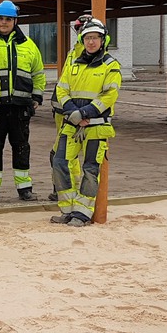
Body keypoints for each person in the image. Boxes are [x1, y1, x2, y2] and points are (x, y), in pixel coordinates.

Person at [52, 18, 122, 227]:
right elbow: (61, 89)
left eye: (95, 38)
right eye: (88, 38)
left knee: (90, 169)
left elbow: (110, 94)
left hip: (97, 126)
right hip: (72, 124)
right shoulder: (74, 63)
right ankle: (68, 209)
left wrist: (85, 112)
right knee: (59, 162)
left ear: (103, 40)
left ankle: (82, 213)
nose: (91, 42)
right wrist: (73, 111)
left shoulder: (111, 65)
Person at [0, 0, 46, 202]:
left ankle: (24, 188)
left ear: (15, 20)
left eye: (8, 19)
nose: (4, 22)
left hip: (20, 107)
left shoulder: (29, 45)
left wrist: (37, 97)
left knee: (21, 147)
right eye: (0, 18)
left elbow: (39, 74)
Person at [47, 14, 94, 200]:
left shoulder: (89, 53)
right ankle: (63, 188)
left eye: (84, 28)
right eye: (79, 28)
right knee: (60, 153)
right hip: (64, 110)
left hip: (77, 111)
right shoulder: (74, 51)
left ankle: (69, 189)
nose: (81, 32)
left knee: (67, 153)